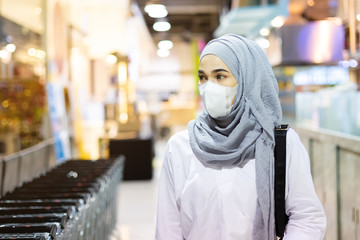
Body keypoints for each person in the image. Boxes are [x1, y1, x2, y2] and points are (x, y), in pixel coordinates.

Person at [155, 34, 326, 240]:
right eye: (203, 77)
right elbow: (168, 228)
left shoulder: (280, 143)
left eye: (220, 76)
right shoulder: (182, 146)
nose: (209, 87)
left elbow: (307, 217)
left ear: (247, 79)